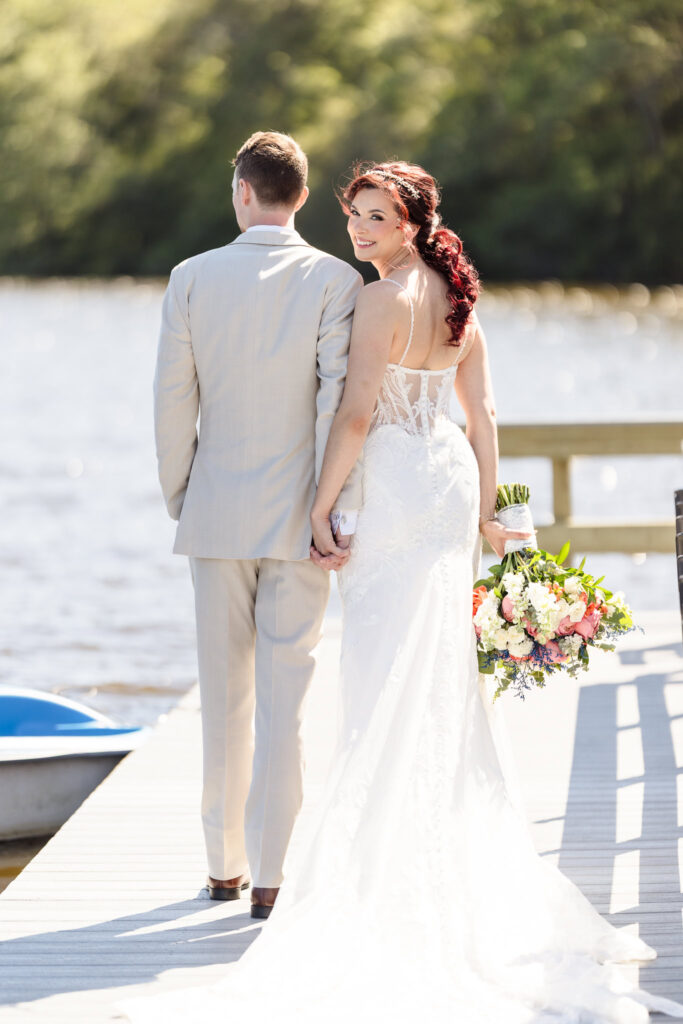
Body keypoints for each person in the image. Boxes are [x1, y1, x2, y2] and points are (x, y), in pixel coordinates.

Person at [120, 161, 683, 1022]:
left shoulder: (379, 299)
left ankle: (375, 865)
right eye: (353, 215)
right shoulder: (459, 301)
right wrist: (499, 510)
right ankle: (432, 854)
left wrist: (317, 506)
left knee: (383, 673)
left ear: (414, 221)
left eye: (376, 218)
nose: (359, 230)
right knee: (437, 672)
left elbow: (351, 415)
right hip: (448, 481)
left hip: (390, 483)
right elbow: (483, 412)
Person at [151, 131, 361, 920]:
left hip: (215, 513)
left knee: (223, 698)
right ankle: (272, 874)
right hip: (302, 519)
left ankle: (222, 866)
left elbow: (173, 400)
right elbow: (337, 404)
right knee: (286, 700)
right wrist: (331, 511)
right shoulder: (335, 280)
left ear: (241, 191)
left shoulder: (191, 277)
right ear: (302, 197)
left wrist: (184, 496)